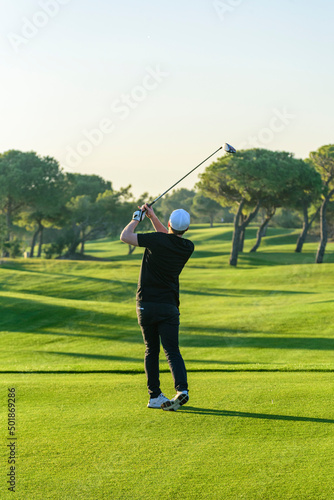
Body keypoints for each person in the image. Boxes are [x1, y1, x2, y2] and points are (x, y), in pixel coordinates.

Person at [120, 203, 194, 411]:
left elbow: (125, 236)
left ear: (169, 223)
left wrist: (137, 218)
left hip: (146, 304)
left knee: (151, 350)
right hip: (169, 306)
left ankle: (154, 396)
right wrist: (152, 217)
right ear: (186, 229)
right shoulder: (187, 246)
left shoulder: (156, 240)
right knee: (172, 350)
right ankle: (182, 389)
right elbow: (168, 237)